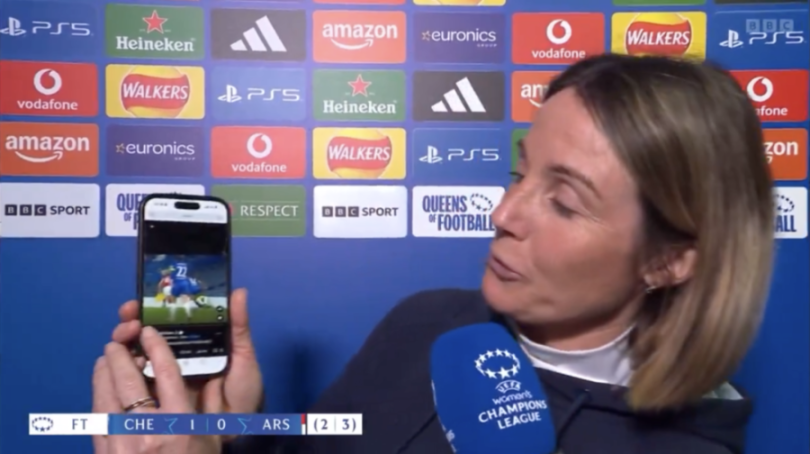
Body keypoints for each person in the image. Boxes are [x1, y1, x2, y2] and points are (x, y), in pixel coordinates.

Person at [92, 54, 775, 454]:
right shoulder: (426, 322)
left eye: (564, 203)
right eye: (519, 174)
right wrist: (233, 433)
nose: (503, 214)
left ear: (671, 260)